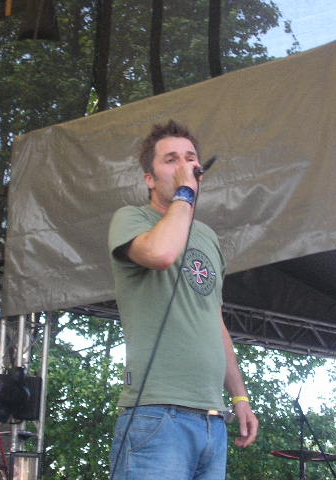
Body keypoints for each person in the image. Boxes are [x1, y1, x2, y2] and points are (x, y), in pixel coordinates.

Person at [108, 120, 258, 479]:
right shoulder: (131, 219)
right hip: (157, 414)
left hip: (211, 419)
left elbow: (214, 320)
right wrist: (184, 193)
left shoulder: (208, 237)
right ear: (149, 178)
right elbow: (161, 254)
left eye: (190, 159)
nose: (184, 166)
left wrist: (239, 397)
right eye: (171, 159)